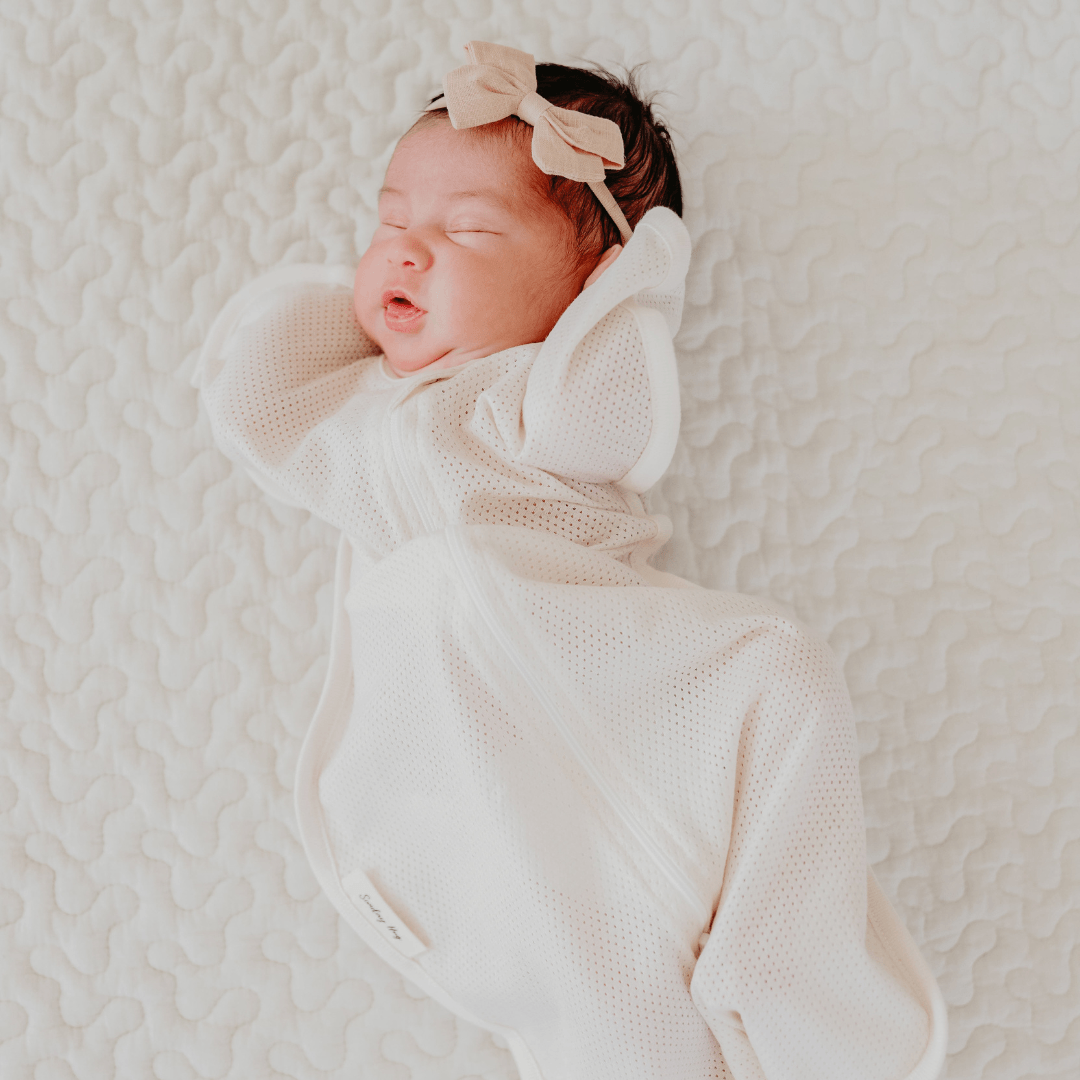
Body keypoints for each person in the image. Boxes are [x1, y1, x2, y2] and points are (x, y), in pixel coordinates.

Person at [191, 41, 946, 1080]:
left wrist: (632, 271)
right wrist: (384, 281)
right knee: (610, 999)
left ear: (591, 282)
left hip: (610, 674)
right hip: (473, 757)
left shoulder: (549, 400)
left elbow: (616, 381)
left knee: (779, 663)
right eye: (390, 219)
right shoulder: (349, 421)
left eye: (467, 230)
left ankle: (803, 995)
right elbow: (248, 389)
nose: (408, 250)